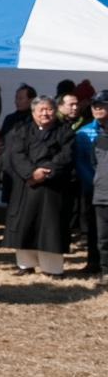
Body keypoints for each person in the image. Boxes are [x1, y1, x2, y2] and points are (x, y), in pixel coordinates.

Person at [2, 95, 76, 276]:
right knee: (25, 225)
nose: (45, 113)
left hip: (54, 187)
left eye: (49, 109)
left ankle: (52, 269)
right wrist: (31, 173)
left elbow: (66, 156)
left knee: (51, 228)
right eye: (41, 109)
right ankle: (25, 265)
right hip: (27, 185)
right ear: (33, 112)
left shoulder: (65, 131)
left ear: (55, 110)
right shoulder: (22, 129)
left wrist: (45, 172)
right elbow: (16, 154)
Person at [74, 91, 108, 286]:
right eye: (95, 105)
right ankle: (95, 263)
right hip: (94, 188)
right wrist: (94, 181)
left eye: (102, 105)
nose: (97, 108)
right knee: (97, 232)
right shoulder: (84, 132)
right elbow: (83, 162)